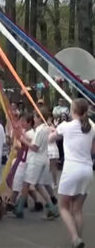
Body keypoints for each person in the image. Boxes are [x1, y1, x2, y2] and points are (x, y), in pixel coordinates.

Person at [49, 98, 95, 248]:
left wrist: (52, 130)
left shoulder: (65, 126)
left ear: (73, 111)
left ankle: (75, 238)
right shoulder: (91, 128)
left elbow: (50, 139)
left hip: (71, 170)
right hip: (87, 170)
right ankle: (79, 238)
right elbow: (93, 150)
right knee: (77, 209)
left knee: (63, 207)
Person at [14, 107, 59, 219]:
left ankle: (19, 209)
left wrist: (22, 140)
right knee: (38, 185)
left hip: (35, 160)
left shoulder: (40, 130)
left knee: (26, 184)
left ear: (39, 117)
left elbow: (35, 147)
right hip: (42, 159)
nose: (34, 118)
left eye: (35, 116)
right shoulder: (46, 128)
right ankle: (51, 207)